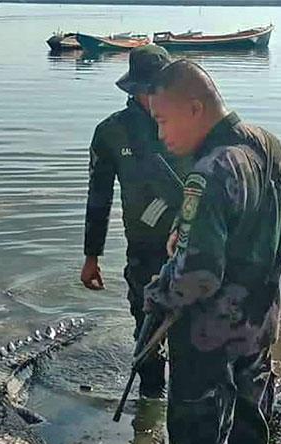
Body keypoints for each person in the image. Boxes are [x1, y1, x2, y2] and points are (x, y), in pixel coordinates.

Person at [145, 59, 281, 444]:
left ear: (196, 108)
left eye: (164, 120)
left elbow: (197, 276)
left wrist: (156, 296)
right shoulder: (269, 144)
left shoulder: (209, 172)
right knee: (252, 428)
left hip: (209, 337)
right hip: (261, 323)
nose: (160, 133)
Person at [81, 45, 190, 398]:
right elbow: (99, 197)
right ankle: (148, 415)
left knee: (197, 336)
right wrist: (92, 256)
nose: (159, 97)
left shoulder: (192, 122)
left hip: (198, 245)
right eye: (152, 89)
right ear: (136, 90)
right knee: (146, 333)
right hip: (144, 250)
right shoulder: (112, 132)